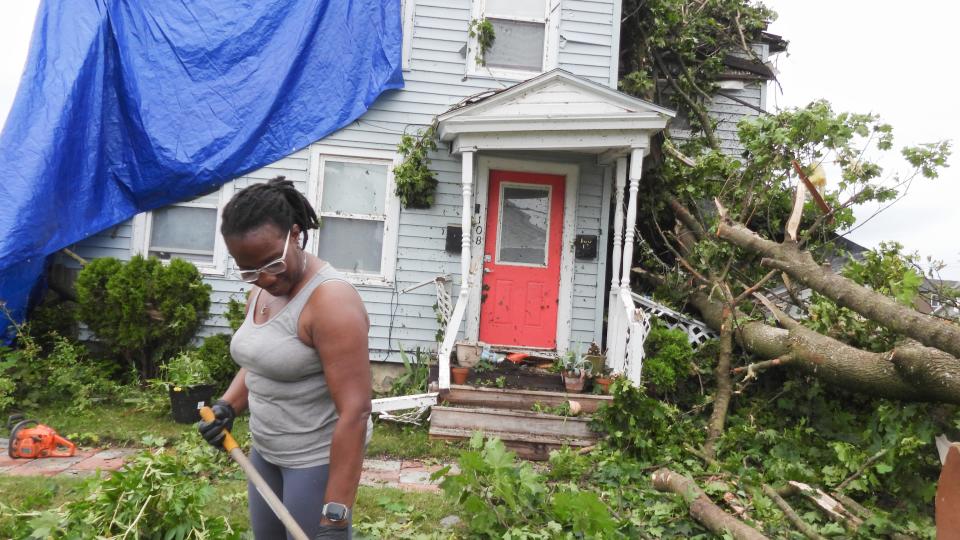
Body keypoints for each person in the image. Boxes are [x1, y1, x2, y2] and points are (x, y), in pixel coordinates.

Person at [198, 176, 372, 540]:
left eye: (271, 263)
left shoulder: (331, 303)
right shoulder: (263, 290)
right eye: (248, 271)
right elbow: (263, 358)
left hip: (314, 459)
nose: (262, 278)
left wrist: (336, 513)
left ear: (296, 234)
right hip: (265, 450)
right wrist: (227, 406)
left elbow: (355, 411)